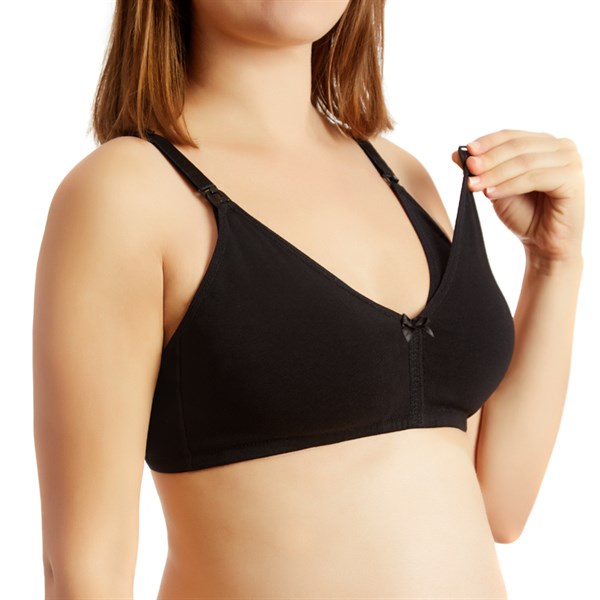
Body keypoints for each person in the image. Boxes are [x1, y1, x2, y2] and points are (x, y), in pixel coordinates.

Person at [33, 0, 585, 598]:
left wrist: (554, 261)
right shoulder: (127, 192)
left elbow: (498, 504)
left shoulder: (404, 176)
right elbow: (85, 572)